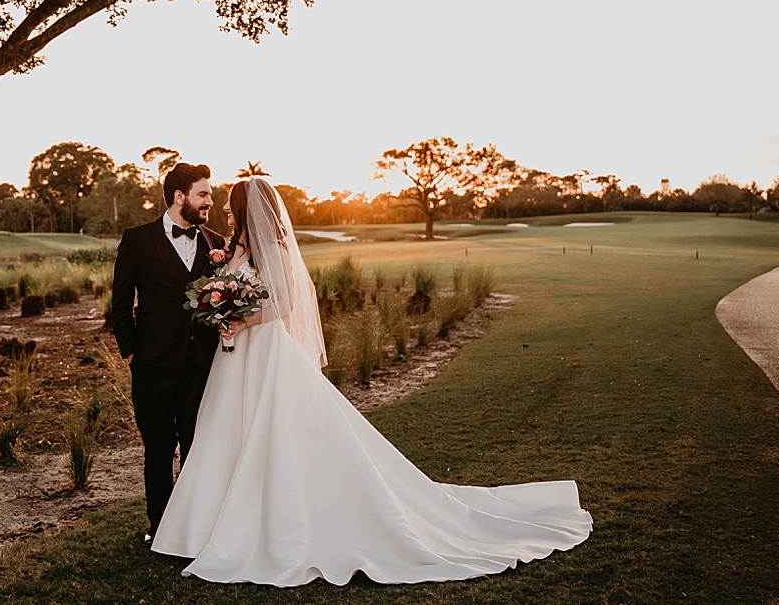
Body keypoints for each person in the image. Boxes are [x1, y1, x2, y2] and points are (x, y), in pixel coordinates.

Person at [151, 176, 592, 585]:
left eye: (231, 209)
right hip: (235, 360)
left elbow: (282, 304)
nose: (226, 214)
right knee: (230, 433)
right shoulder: (234, 251)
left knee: (275, 434)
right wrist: (222, 311)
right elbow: (235, 293)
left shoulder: (274, 251)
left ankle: (271, 524)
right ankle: (207, 526)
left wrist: (240, 322)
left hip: (265, 352)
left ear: (249, 212)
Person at [110, 162, 225, 545]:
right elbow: (120, 303)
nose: (210, 201)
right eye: (203, 194)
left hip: (202, 366)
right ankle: (160, 529)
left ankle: (195, 528)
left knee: (198, 449)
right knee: (158, 451)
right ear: (180, 197)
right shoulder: (137, 240)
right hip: (152, 367)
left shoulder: (216, 243)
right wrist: (131, 352)